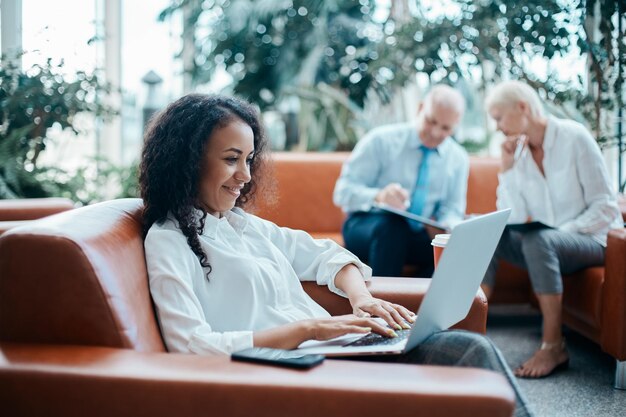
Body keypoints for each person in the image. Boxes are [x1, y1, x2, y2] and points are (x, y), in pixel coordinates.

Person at [140, 93, 533, 417]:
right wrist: (311, 329)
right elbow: (191, 345)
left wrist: (361, 300)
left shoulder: (241, 224)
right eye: (231, 159)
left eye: (248, 160)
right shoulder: (168, 240)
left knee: (471, 349)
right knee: (461, 365)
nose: (245, 176)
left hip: (334, 349)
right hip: (294, 370)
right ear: (189, 161)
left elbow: (325, 254)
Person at [482, 80, 623, 378]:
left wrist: (560, 234)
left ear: (522, 107)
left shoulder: (574, 137)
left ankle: (553, 344)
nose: (496, 127)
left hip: (593, 240)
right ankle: (470, 326)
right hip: (547, 245)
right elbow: (512, 216)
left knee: (540, 240)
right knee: (489, 233)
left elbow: (605, 206)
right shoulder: (517, 153)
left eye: (498, 117)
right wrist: (506, 170)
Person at [333, 84, 469, 277]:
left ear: (455, 125)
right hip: (366, 226)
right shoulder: (381, 140)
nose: (436, 133)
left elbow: (453, 209)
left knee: (452, 250)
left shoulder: (458, 158)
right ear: (421, 108)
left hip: (415, 235)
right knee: (392, 228)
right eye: (431, 121)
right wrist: (379, 196)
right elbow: (342, 192)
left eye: (446, 128)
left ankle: (419, 305)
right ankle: (382, 302)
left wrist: (444, 228)